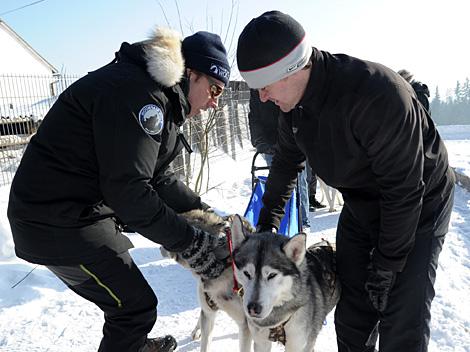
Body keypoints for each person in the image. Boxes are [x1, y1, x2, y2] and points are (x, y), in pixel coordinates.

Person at [237, 11, 454, 352]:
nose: (262, 97)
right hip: (361, 202)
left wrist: (387, 265)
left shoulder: (375, 96)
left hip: (420, 204)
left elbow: (404, 191)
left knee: (401, 316)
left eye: (264, 86)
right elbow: (284, 167)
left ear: (293, 68)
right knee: (353, 313)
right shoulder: (294, 109)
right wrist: (266, 229)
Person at [8, 28, 230, 352]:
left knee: (131, 306)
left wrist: (206, 215)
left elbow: (158, 179)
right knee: (133, 308)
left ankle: (131, 346)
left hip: (71, 211)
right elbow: (130, 193)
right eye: (214, 89)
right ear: (191, 73)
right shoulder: (140, 96)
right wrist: (190, 241)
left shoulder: (156, 96)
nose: (214, 102)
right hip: (55, 219)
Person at [248, 89, 311, 228]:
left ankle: (302, 222)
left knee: (299, 182)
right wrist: (259, 141)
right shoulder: (256, 88)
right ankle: (279, 223)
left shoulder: (282, 82)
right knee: (277, 183)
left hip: (293, 141)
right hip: (270, 144)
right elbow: (254, 116)